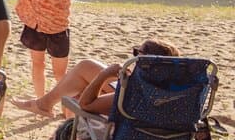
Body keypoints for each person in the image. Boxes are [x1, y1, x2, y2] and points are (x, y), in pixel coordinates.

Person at [14, 39, 180, 118]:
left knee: (85, 73)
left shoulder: (133, 93)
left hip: (131, 118)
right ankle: (45, 104)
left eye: (137, 53)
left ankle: (45, 105)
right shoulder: (179, 92)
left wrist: (104, 75)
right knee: (85, 70)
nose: (134, 56)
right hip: (154, 124)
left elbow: (86, 104)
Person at [14, 0, 75, 98]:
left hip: (57, 28)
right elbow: (25, 0)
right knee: (37, 64)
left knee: (59, 73)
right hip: (36, 26)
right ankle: (41, 101)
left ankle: (65, 107)